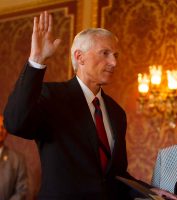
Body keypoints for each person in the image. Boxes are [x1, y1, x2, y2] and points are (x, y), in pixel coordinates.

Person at [3, 11, 134, 200]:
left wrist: (150, 191)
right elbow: (14, 123)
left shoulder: (117, 112)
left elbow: (116, 175)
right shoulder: (52, 96)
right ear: (80, 57)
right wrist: (37, 60)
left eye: (115, 55)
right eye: (105, 53)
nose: (114, 62)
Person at [0, 115, 29, 200]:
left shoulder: (18, 159)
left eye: (3, 127)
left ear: (7, 131)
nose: (0, 130)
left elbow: (22, 190)